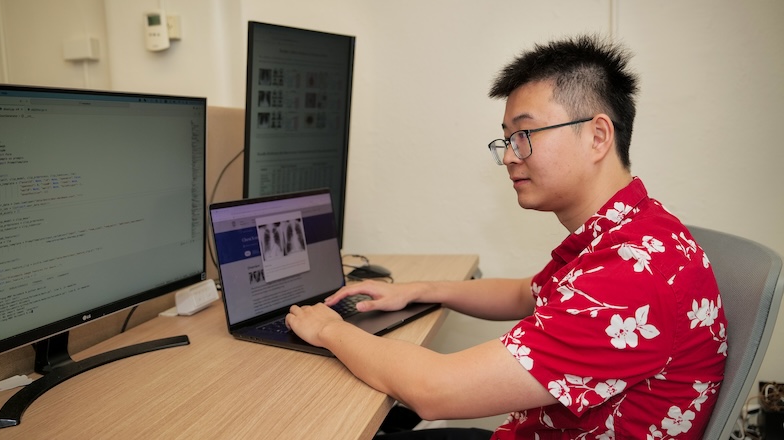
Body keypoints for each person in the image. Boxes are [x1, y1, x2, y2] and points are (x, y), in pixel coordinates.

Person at [285, 34, 727, 439]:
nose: (511, 157)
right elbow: (524, 294)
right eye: (507, 140)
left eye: (525, 135)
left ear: (597, 136)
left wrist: (328, 329)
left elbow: (435, 390)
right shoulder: (628, 228)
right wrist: (417, 290)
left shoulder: (630, 276)